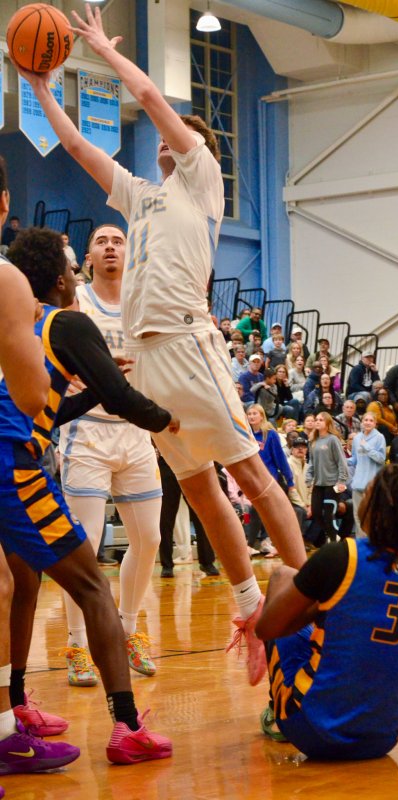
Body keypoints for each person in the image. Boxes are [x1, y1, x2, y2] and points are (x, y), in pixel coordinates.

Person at [21, 3, 307, 689]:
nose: (161, 143)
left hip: (185, 340)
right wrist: (39, 88)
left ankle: (309, 590)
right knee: (201, 490)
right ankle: (249, 610)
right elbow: (81, 149)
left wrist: (99, 46)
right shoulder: (142, 196)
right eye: (160, 143)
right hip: (146, 361)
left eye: (174, 138)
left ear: (192, 146)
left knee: (252, 479)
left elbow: (149, 96)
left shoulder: (202, 179)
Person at [3, 226, 176, 763]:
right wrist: (171, 420)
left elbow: (48, 410)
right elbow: (122, 398)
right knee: (94, 588)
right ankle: (127, 727)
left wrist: (96, 391)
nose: (78, 273)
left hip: (13, 453)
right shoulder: (67, 322)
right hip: (14, 468)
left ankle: (14, 707)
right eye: (73, 266)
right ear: (60, 279)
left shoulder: (19, 324)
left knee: (20, 584)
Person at [257, 463, 398, 760]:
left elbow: (267, 629)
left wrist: (321, 609)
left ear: (378, 510)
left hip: (312, 730)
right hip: (383, 738)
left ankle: (278, 715)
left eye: (366, 493)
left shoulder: (341, 557)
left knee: (280, 577)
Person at [58, 224, 165, 687]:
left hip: (135, 434)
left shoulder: (144, 300)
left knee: (150, 539)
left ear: (129, 252)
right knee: (83, 547)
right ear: (88, 256)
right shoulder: (76, 301)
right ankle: (78, 645)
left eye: (117, 240)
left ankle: (128, 629)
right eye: (101, 241)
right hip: (87, 433)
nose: (109, 247)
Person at [0, 156, 79, 782]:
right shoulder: (9, 283)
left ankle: (14, 709)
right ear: (3, 203)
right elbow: (31, 398)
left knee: (14, 587)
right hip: (13, 455)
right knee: (5, 590)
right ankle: (6, 732)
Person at [245, 405, 295, 557]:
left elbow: (280, 458)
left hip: (270, 480)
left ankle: (255, 544)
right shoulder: (247, 435)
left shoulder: (270, 435)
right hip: (253, 480)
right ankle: (267, 542)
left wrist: (290, 481)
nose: (251, 416)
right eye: (249, 414)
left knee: (262, 512)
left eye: (255, 413)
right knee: (260, 513)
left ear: (261, 416)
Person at [306, 412, 349, 544]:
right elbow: (312, 462)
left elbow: (342, 462)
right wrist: (309, 476)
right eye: (316, 419)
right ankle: (333, 536)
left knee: (328, 515)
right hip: (318, 484)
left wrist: (341, 481)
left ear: (328, 423)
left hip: (332, 484)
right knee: (317, 513)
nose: (317, 422)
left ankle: (332, 540)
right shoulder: (313, 441)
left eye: (321, 420)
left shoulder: (333, 440)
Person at [348, 412, 386, 536]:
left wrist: (368, 447)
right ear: (362, 422)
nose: (368, 422)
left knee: (372, 515)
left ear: (375, 423)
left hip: (372, 484)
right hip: (357, 483)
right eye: (366, 420)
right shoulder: (357, 438)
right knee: (357, 515)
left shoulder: (379, 437)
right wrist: (341, 460)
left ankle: (373, 541)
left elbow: (381, 458)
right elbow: (354, 459)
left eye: (371, 420)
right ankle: (361, 542)